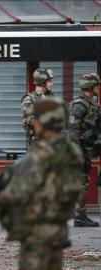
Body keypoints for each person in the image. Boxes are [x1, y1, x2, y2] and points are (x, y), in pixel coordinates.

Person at [0, 99, 84, 270]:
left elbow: (18, 193)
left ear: (45, 121)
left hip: (37, 232)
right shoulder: (72, 151)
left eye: (36, 119)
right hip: (58, 230)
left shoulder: (41, 154)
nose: (33, 124)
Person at [66, 73, 101, 227]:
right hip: (80, 149)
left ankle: (80, 215)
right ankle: (79, 217)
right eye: (96, 85)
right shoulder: (80, 105)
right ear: (90, 87)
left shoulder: (92, 104)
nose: (98, 88)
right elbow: (72, 130)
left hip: (88, 148)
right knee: (82, 182)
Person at [21, 68, 54, 147]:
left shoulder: (51, 98)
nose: (52, 84)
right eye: (49, 81)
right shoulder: (29, 99)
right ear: (42, 82)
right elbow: (28, 121)